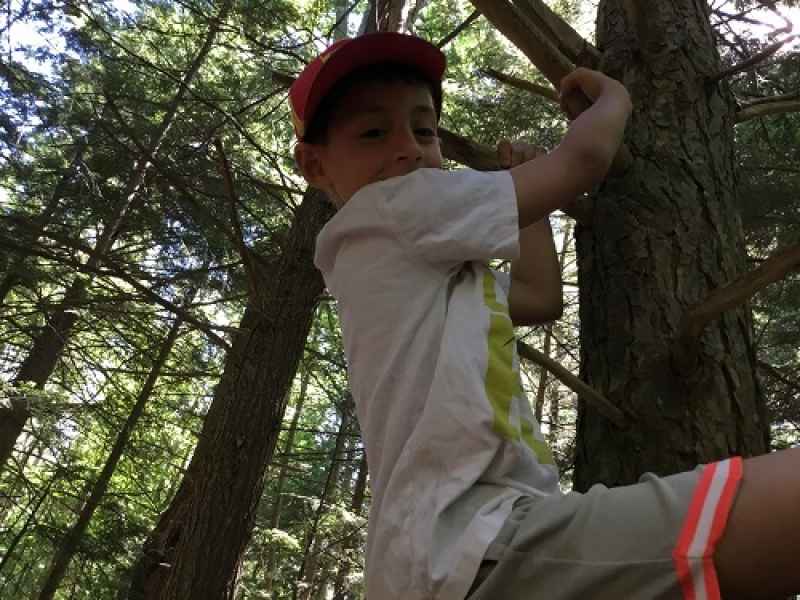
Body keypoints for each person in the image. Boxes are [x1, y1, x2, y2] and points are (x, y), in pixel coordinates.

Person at [290, 32, 800, 600]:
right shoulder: (388, 211)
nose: (408, 148)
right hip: (471, 543)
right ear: (314, 165)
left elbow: (537, 296)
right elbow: (585, 159)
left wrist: (524, 207)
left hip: (455, 554)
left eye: (424, 128)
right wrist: (616, 102)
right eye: (372, 132)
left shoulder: (410, 274)